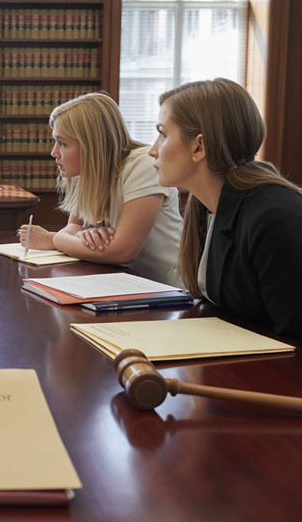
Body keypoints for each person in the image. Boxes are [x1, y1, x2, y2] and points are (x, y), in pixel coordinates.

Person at [149, 78, 302, 339]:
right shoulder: (203, 205)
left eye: (163, 134)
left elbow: (295, 341)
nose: (153, 150)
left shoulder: (275, 217)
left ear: (199, 146)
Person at [19, 92, 183, 285]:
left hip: (169, 293)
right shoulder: (89, 172)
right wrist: (79, 235)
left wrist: (55, 239)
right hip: (121, 285)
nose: (54, 152)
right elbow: (74, 226)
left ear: (92, 145)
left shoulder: (143, 165)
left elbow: (122, 252)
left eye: (62, 143)